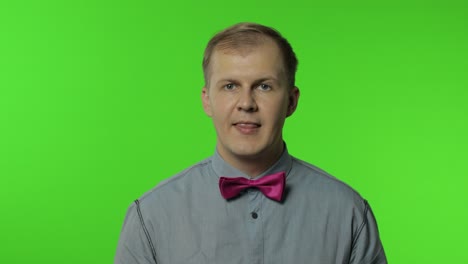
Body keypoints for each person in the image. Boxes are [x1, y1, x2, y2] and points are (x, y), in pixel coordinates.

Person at [114, 22, 387, 264]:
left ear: (291, 101)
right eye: (230, 86)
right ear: (207, 99)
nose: (246, 103)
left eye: (264, 86)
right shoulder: (150, 217)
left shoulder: (348, 213)